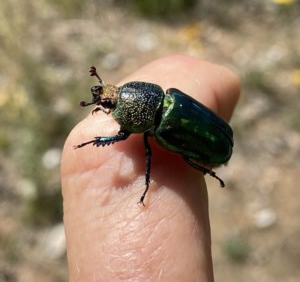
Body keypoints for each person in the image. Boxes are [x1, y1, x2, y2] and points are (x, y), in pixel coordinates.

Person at [61, 55, 240, 281]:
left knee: (184, 159)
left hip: (216, 146)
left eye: (110, 100)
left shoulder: (161, 127)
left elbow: (122, 138)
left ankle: (208, 170)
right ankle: (208, 171)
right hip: (218, 133)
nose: (109, 97)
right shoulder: (171, 96)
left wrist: (94, 140)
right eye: (109, 101)